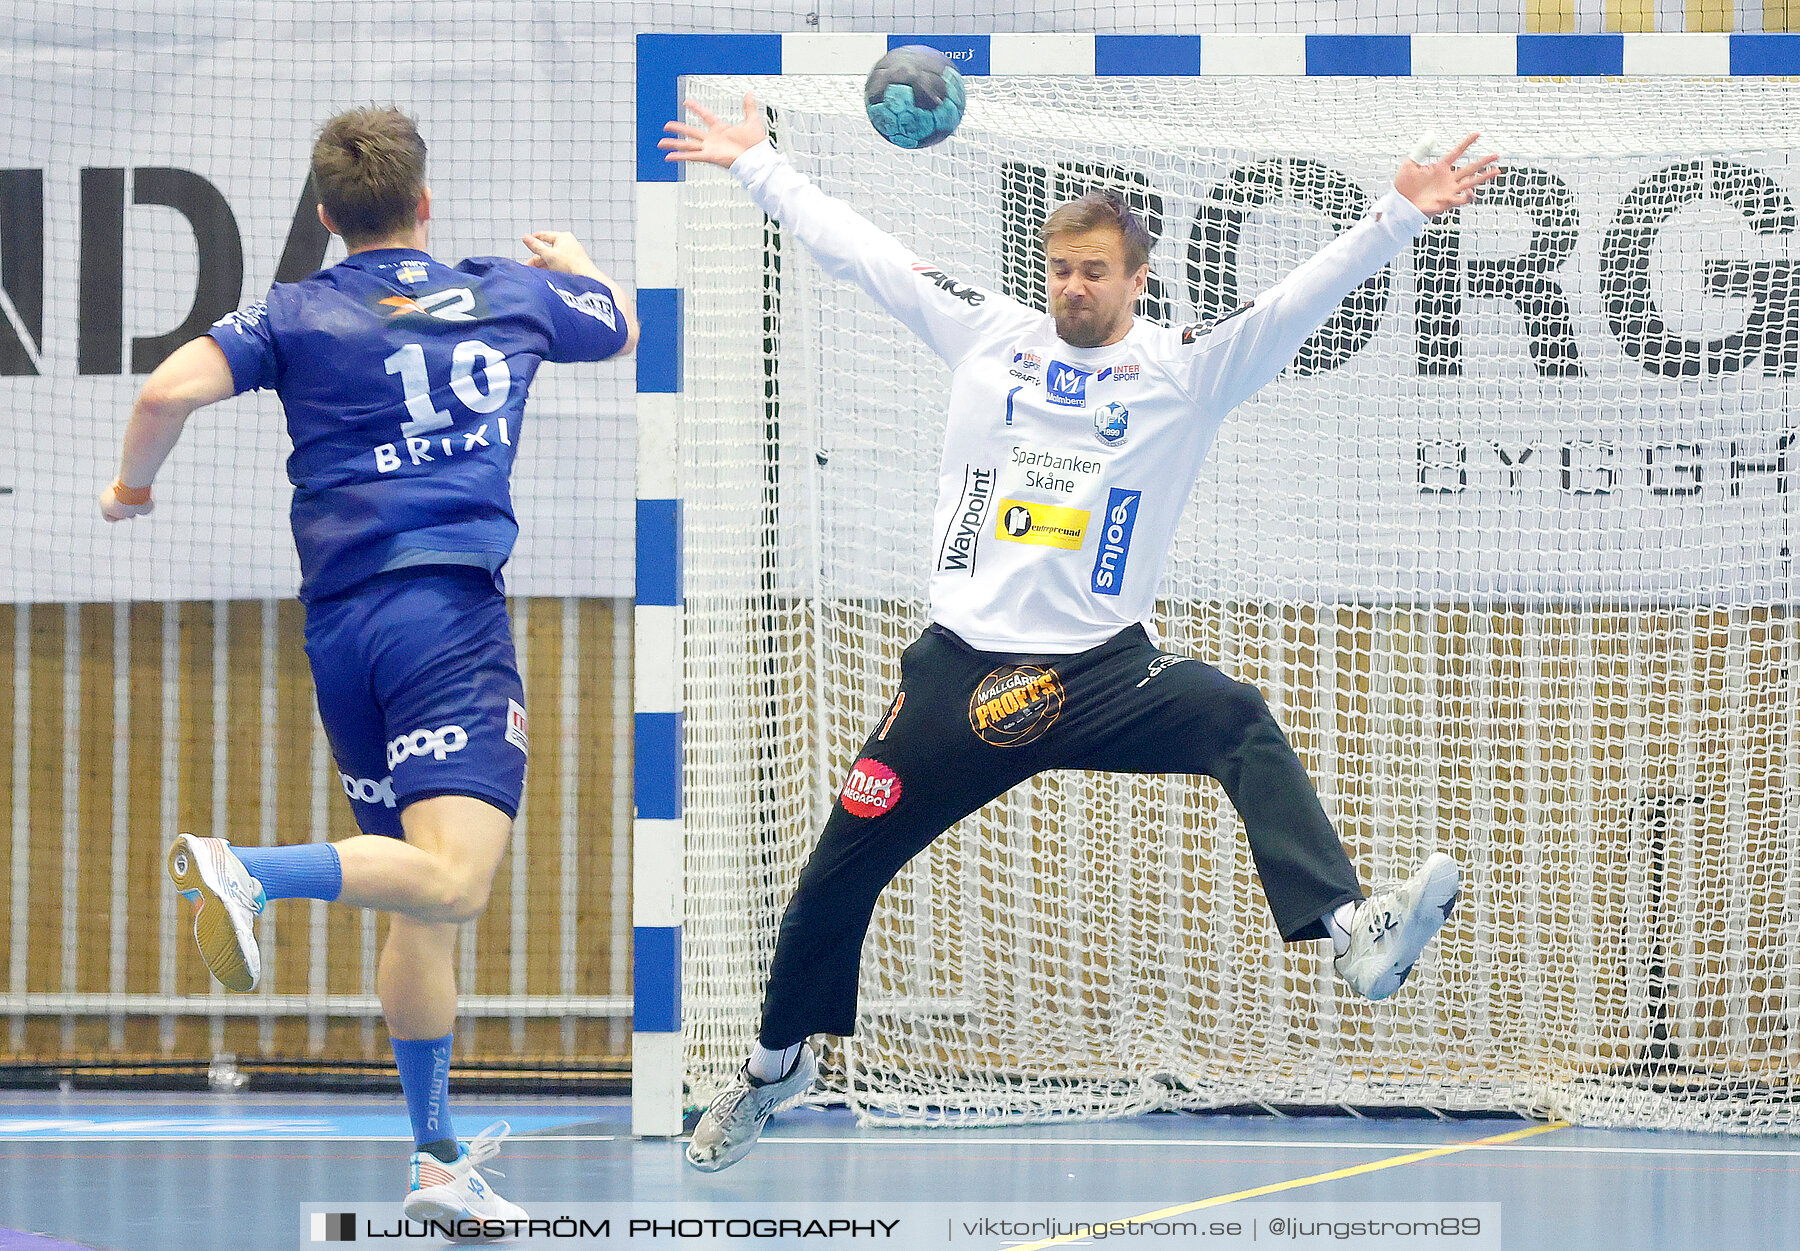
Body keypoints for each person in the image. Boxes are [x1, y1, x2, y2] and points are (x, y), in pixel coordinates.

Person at [662, 95, 1500, 1173]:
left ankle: (1350, 933)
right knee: (838, 875)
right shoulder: (989, 338)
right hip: (962, 674)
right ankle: (776, 1069)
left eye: (1095, 271)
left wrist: (1397, 215)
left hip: (1108, 670)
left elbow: (1292, 304)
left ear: (1137, 280)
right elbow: (864, 255)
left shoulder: (1183, 369)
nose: (1072, 287)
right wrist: (758, 166)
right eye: (1059, 267)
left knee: (1234, 716)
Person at [100, 106, 637, 1229]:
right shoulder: (510, 291)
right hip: (445, 616)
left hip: (343, 633)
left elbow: (162, 395)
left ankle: (436, 1163)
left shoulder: (295, 310)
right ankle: (246, 870)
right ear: (424, 206)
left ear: (329, 216)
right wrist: (579, 262)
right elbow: (618, 324)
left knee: (420, 901)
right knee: (459, 883)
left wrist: (131, 491)